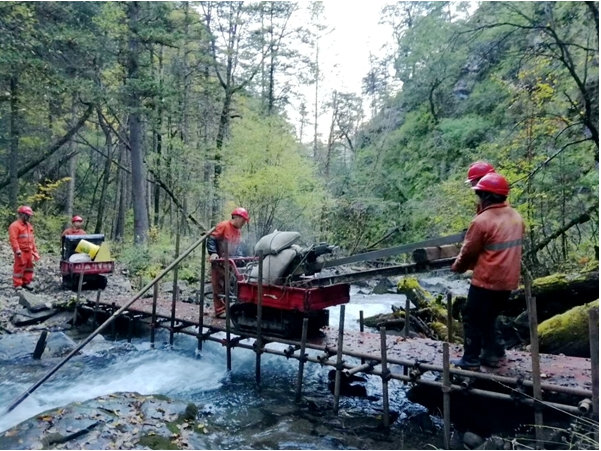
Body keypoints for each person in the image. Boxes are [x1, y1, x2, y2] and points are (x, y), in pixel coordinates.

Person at [451, 173, 525, 369]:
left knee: (472, 318)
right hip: (508, 280)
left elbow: (468, 251)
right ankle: (493, 354)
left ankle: (470, 359)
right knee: (489, 317)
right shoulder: (516, 217)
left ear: (485, 196)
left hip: (487, 279)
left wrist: (457, 267)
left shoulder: (482, 221)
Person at [207, 207, 250, 317]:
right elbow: (212, 239)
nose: (244, 223)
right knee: (218, 286)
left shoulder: (238, 232)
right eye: (243, 220)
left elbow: (238, 246)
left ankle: (226, 308)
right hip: (219, 261)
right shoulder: (224, 225)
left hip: (229, 262)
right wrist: (213, 253)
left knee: (228, 286)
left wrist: (240, 257)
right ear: (236, 217)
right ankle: (220, 310)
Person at [8, 206, 40, 291]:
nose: (29, 217)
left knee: (29, 267)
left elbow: (32, 239)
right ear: (22, 215)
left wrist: (35, 251)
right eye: (27, 215)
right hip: (21, 251)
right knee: (19, 267)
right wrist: (17, 250)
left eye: (29, 216)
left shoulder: (28, 225)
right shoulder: (14, 226)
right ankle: (17, 284)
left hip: (28, 250)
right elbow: (13, 239)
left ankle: (26, 282)